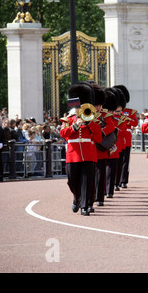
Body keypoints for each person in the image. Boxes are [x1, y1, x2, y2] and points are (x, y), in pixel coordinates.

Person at [60, 83, 102, 216]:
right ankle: (76, 197)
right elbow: (63, 134)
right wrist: (75, 127)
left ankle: (84, 206)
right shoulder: (68, 119)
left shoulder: (93, 120)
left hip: (88, 154)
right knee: (72, 180)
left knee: (87, 181)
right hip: (73, 154)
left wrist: (89, 124)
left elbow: (99, 138)